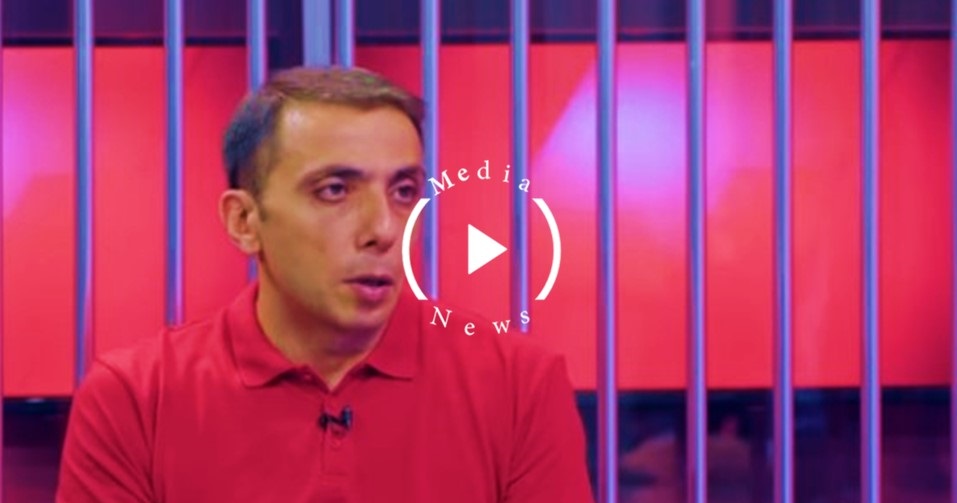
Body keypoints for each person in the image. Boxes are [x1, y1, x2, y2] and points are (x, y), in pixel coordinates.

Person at [55, 66, 594, 503]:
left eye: (404, 192)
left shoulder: (519, 386)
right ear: (244, 221)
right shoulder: (134, 399)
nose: (383, 229)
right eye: (335, 190)